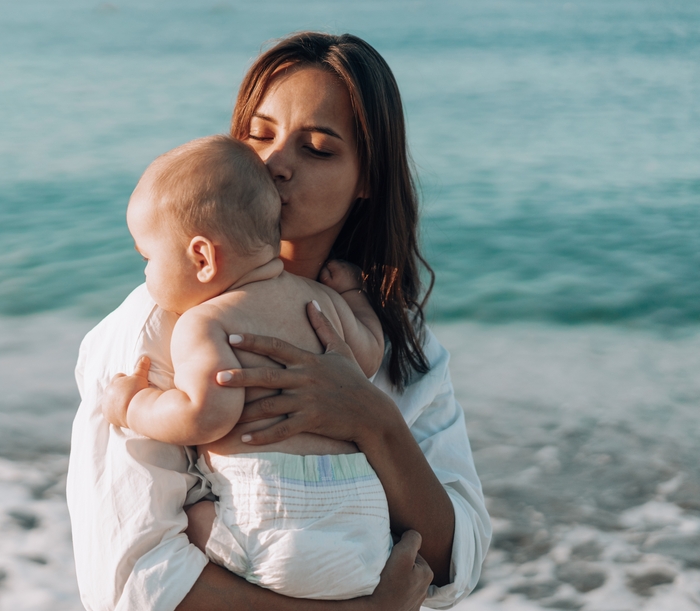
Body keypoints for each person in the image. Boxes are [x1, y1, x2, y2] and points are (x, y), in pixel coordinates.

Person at [67, 32, 492, 611]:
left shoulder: (395, 341)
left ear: (368, 178)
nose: (274, 164)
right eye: (258, 134)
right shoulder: (153, 329)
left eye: (317, 148)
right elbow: (132, 580)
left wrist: (375, 422)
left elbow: (453, 563)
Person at [104, 134, 391, 600]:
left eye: (148, 258)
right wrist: (355, 294)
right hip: (366, 531)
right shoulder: (322, 299)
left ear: (202, 257)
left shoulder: (204, 323)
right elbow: (370, 357)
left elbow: (205, 415)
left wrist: (134, 405)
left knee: (196, 518)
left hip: (275, 528)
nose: (145, 275)